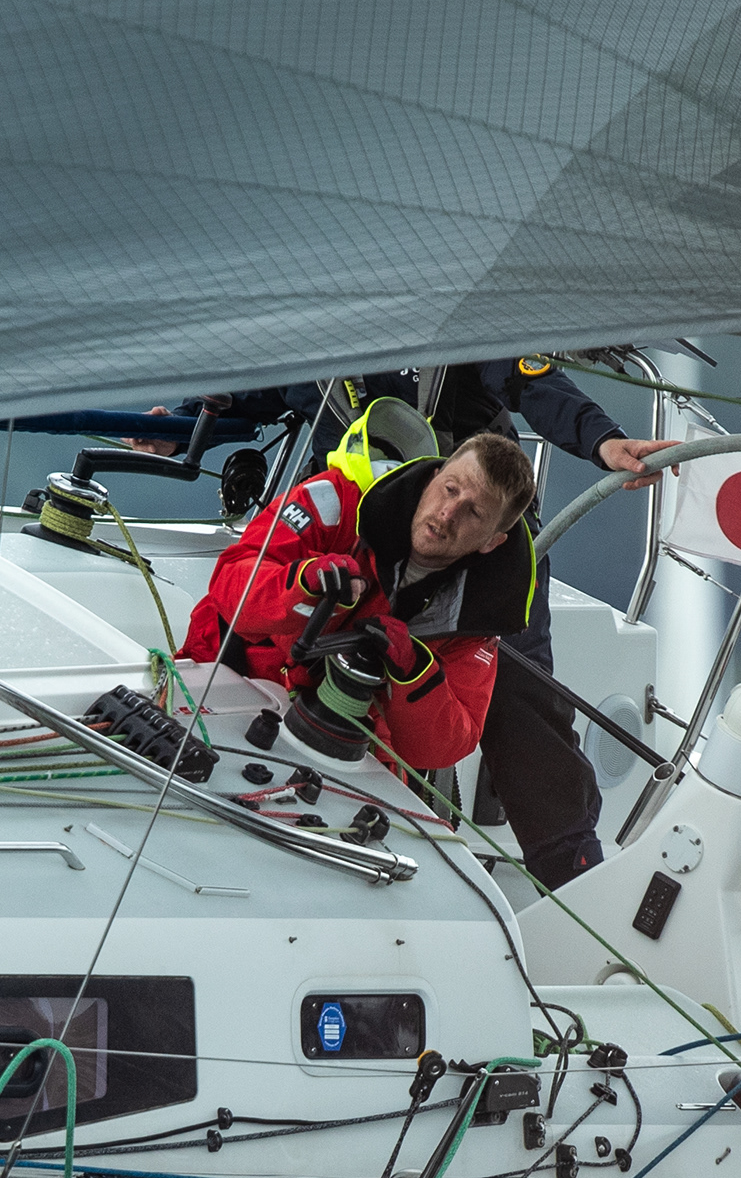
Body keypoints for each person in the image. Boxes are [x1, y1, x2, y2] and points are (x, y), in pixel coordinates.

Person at [302, 360, 650, 887]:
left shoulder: (460, 327)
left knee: (514, 686)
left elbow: (530, 380)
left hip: (481, 552)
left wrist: (602, 441)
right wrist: (186, 420)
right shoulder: (306, 333)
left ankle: (570, 870)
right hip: (358, 534)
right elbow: (244, 382)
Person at [180, 431, 542, 777]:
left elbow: (445, 747)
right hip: (226, 681)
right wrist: (305, 584)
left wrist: (414, 672)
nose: (448, 512)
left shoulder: (479, 614)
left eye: (474, 512)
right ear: (433, 477)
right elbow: (230, 587)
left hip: (343, 750)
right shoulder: (336, 501)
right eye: (449, 489)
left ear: (492, 542)